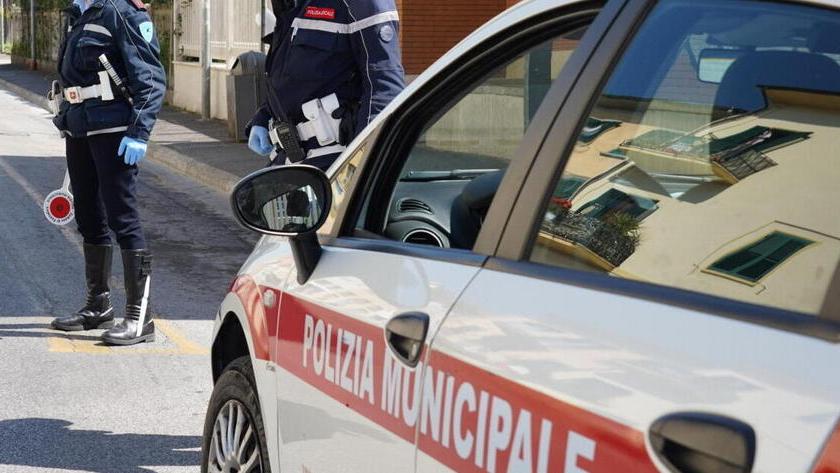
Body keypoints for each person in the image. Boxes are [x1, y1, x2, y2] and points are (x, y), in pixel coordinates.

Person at [49, 0, 165, 346]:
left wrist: (139, 132)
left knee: (122, 218)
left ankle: (139, 317)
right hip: (80, 128)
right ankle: (99, 305)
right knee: (88, 215)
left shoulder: (121, 11)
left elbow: (150, 77)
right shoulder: (77, 15)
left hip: (115, 130)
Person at [246, 0, 406, 170]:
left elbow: (384, 90)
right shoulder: (293, 4)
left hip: (335, 164)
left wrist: (362, 163)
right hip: (288, 160)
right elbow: (293, 78)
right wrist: (264, 117)